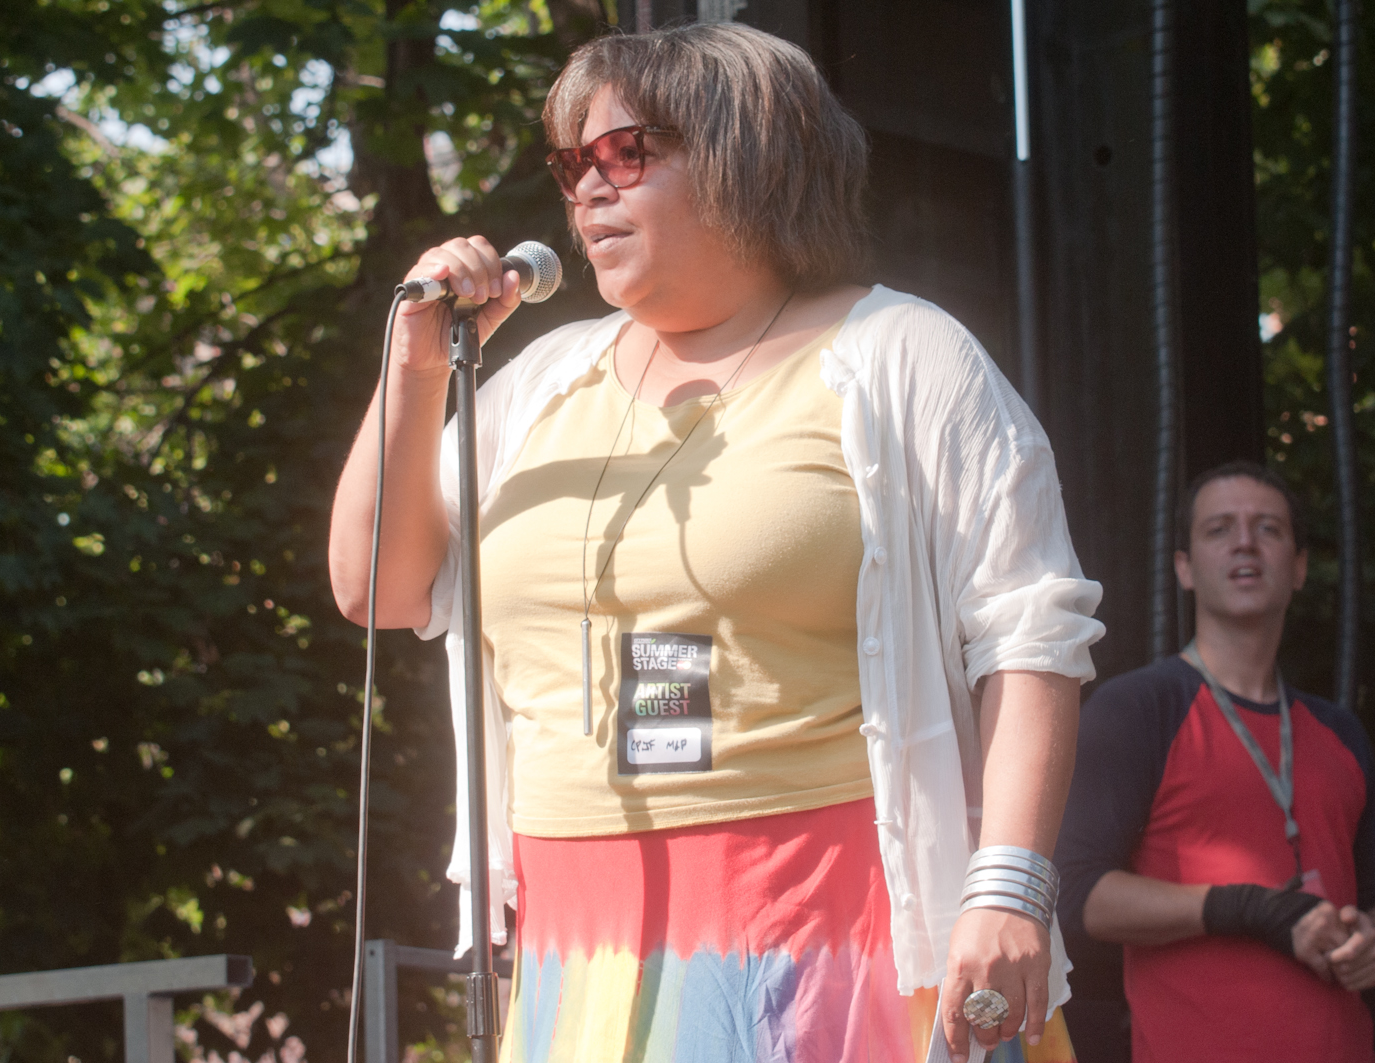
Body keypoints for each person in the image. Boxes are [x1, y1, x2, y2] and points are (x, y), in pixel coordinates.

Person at [327, 23, 1105, 1063]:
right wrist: (416, 373)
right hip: (584, 936)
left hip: (832, 923)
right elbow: (375, 588)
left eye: (626, 155)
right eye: (572, 166)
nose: (588, 191)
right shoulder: (545, 380)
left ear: (750, 157)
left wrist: (1006, 885)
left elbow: (1029, 635)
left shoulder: (901, 354)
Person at [1052, 461, 1375, 1063]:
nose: (1245, 541)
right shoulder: (1139, 709)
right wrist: (1245, 908)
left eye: (1268, 528)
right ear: (1184, 567)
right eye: (1220, 529)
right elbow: (1073, 894)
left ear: (1299, 567)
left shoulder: (1340, 731)